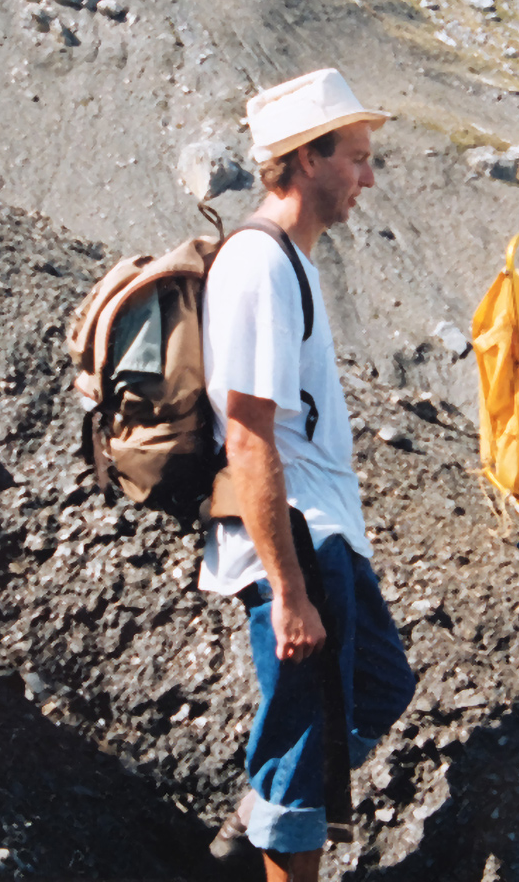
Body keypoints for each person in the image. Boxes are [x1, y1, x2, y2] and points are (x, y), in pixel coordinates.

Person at [201, 68, 416, 881]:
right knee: (303, 749)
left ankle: (256, 816)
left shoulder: (293, 263)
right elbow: (249, 437)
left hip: (323, 529)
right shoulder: (260, 265)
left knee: (378, 686)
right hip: (296, 539)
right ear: (303, 159)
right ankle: (273, 820)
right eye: (356, 158)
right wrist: (289, 590)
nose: (367, 178)